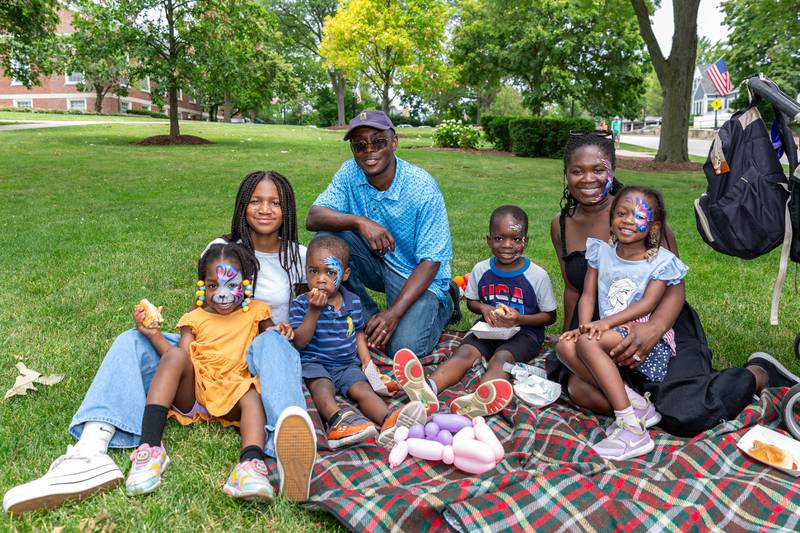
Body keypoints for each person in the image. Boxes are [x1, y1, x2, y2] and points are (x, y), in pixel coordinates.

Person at [4, 171, 316, 514]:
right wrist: (154, 330)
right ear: (242, 206)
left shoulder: (299, 257)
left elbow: (312, 307)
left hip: (260, 353)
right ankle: (91, 450)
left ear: (287, 208)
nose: (265, 209)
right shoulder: (219, 249)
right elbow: (204, 320)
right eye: (255, 200)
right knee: (132, 339)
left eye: (275, 202)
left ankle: (285, 446)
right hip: (210, 355)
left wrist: (288, 330)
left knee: (273, 342)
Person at [546, 131, 800, 438]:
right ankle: (634, 400)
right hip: (601, 332)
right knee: (577, 388)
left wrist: (651, 331)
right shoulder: (561, 224)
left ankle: (757, 374)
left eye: (598, 170)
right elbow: (576, 289)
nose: (588, 179)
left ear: (612, 170)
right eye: (577, 171)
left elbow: (673, 286)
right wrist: (575, 332)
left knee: (684, 414)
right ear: (566, 174)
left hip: (662, 324)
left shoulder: (644, 217)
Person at [126, 242, 290, 500]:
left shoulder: (257, 312)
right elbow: (180, 358)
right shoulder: (196, 316)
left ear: (246, 284)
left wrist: (281, 333)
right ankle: (150, 447)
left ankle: (250, 465)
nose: (222, 294)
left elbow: (272, 343)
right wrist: (153, 335)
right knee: (176, 355)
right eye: (213, 286)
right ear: (203, 286)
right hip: (195, 392)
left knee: (252, 394)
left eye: (232, 284)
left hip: (235, 390)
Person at [306, 109, 457, 359]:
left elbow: (431, 261)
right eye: (360, 146)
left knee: (403, 349)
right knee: (326, 240)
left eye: (378, 142)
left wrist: (394, 313)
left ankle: (446, 304)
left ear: (394, 142)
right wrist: (359, 221)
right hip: (378, 263)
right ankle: (365, 318)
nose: (369, 152)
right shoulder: (349, 173)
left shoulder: (422, 187)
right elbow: (313, 217)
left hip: (418, 274)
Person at [558, 187, 687, 459]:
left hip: (645, 343)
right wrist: (584, 326)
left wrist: (603, 324)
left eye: (638, 215)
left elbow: (648, 304)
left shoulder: (661, 262)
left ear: (654, 227)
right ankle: (638, 405)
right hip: (610, 335)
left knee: (587, 343)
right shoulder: (600, 253)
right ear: (611, 219)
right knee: (565, 347)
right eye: (621, 213)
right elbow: (588, 295)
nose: (628, 220)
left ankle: (631, 429)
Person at [392, 206, 557, 417]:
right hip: (488, 329)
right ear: (489, 240)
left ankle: (480, 399)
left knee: (501, 358)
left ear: (525, 242)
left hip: (525, 333)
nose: (507, 245)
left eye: (515, 239)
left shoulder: (537, 276)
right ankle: (428, 389)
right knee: (464, 352)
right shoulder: (481, 269)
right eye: (499, 238)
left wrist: (520, 318)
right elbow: (471, 302)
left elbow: (550, 317)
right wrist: (484, 308)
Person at [290, 235, 427, 450]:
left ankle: (390, 421)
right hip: (315, 364)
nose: (321, 279)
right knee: (322, 388)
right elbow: (300, 341)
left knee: (363, 389)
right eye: (314, 271)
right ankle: (337, 422)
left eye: (330, 272)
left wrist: (366, 362)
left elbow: (358, 333)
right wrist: (314, 311)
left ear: (345, 274)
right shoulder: (301, 304)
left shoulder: (352, 301)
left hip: (346, 365)